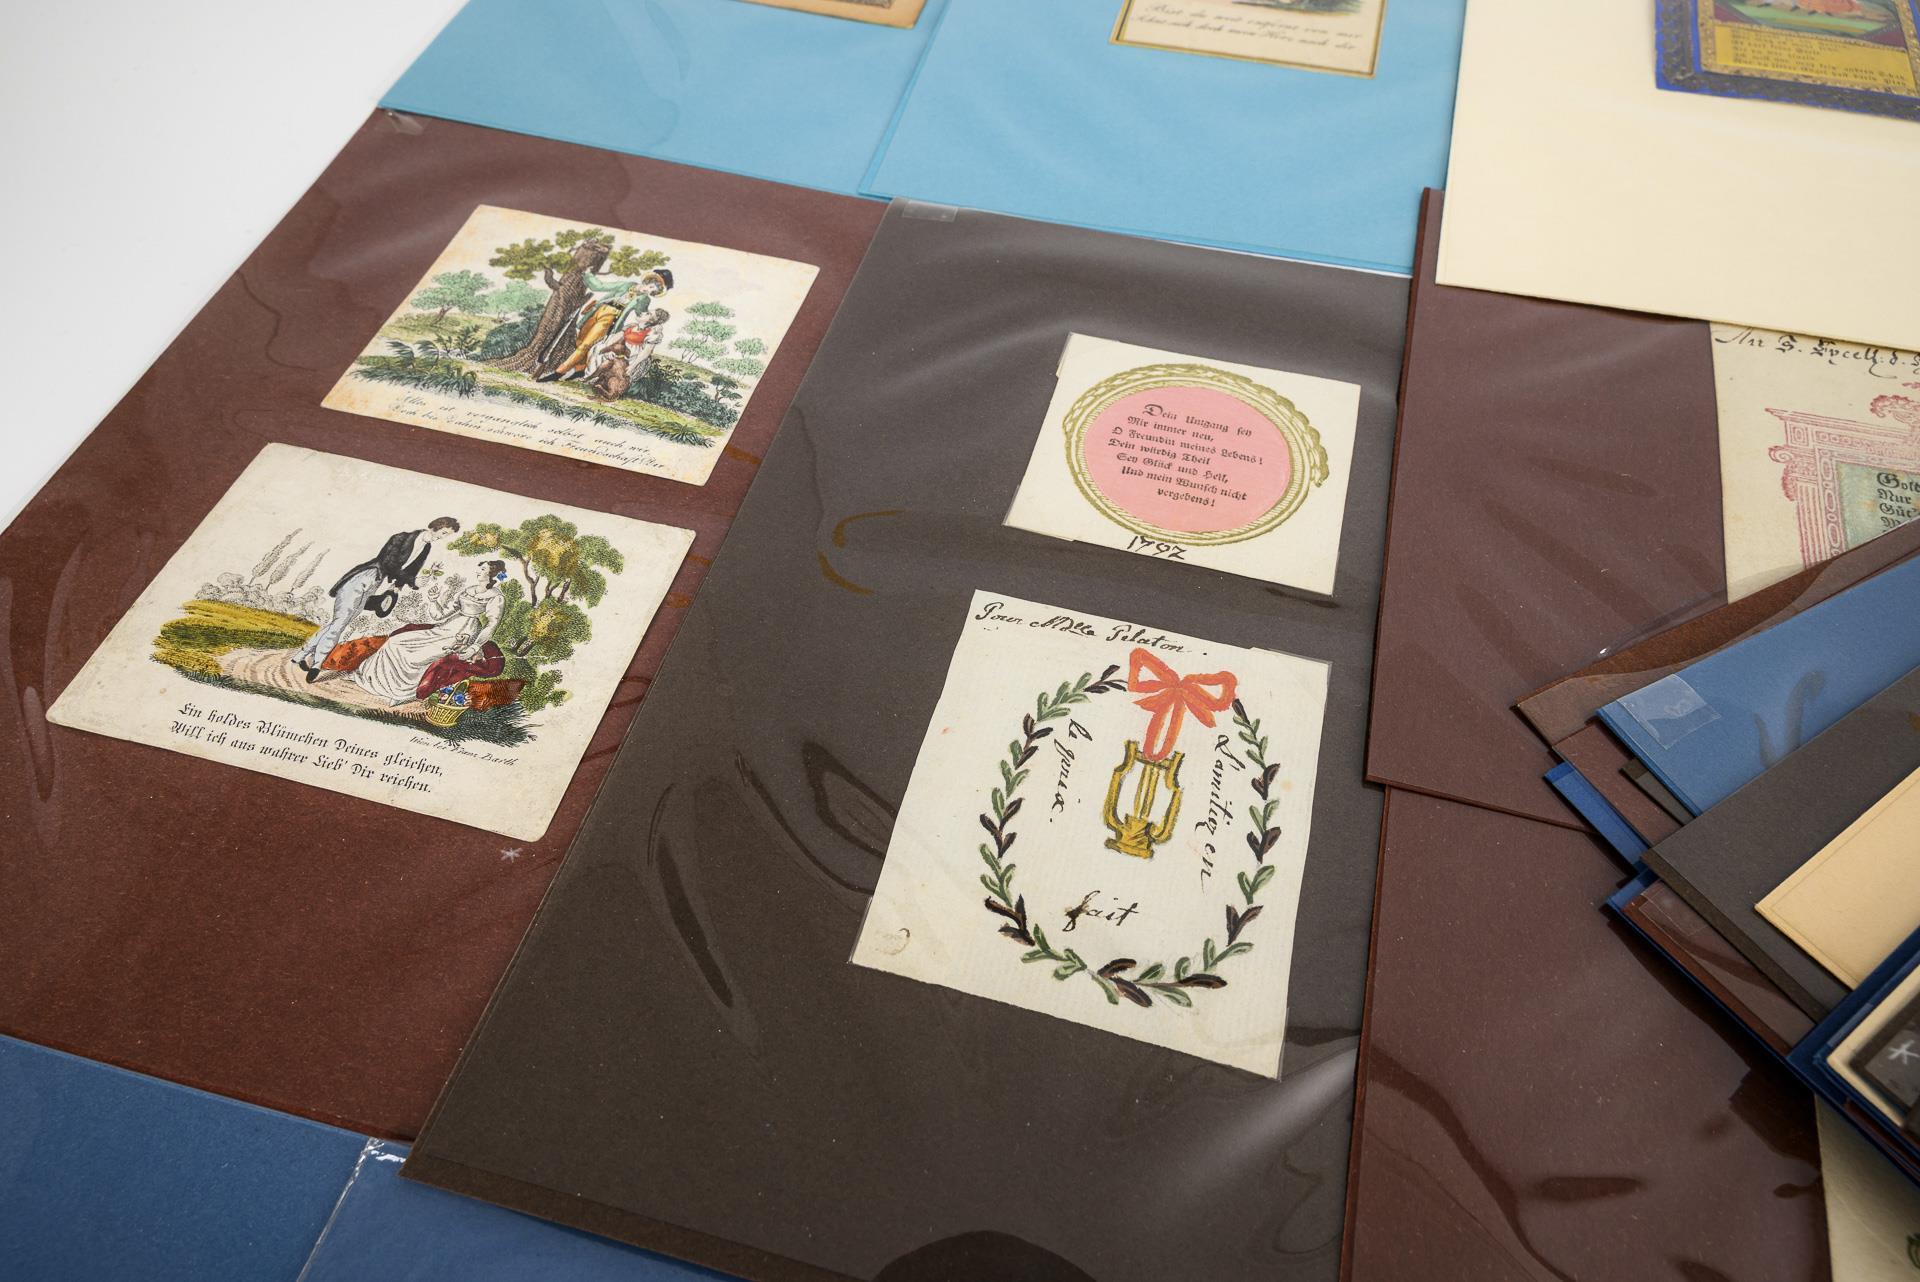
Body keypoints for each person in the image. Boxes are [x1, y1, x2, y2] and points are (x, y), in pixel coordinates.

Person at [294, 517, 459, 683]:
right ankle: (317, 664)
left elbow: (411, 570)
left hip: (374, 584)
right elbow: (389, 564)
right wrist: (412, 580)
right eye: (444, 533)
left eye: (447, 535)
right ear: (435, 527)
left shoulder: (426, 547)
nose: (443, 537)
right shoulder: (401, 538)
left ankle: (302, 654)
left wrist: (405, 585)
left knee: (338, 623)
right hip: (363, 577)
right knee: (339, 624)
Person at [346, 560, 508, 706]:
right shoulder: (468, 590)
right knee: (395, 642)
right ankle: (369, 679)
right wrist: (434, 600)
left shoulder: (496, 597)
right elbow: (440, 615)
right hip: (444, 628)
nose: (478, 571)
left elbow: (492, 624)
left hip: (464, 633)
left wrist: (474, 647)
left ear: (492, 574)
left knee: (416, 657)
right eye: (480, 568)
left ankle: (401, 692)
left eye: (483, 569)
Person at [540, 268, 673, 383]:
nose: (648, 290)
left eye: (652, 290)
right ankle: (580, 370)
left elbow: (642, 316)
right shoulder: (627, 285)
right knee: (580, 340)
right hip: (597, 311)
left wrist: (655, 324)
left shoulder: (644, 299)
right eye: (650, 286)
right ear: (647, 281)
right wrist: (588, 275)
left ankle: (559, 372)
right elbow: (601, 286)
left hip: (611, 318)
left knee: (586, 345)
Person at [586, 307, 669, 402]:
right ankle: (593, 380)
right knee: (601, 355)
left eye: (649, 314)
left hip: (633, 357)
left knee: (617, 371)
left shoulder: (653, 333)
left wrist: (633, 365)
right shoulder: (632, 326)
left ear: (652, 320)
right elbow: (616, 339)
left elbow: (646, 352)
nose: (643, 312)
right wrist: (608, 349)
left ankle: (608, 393)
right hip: (620, 352)